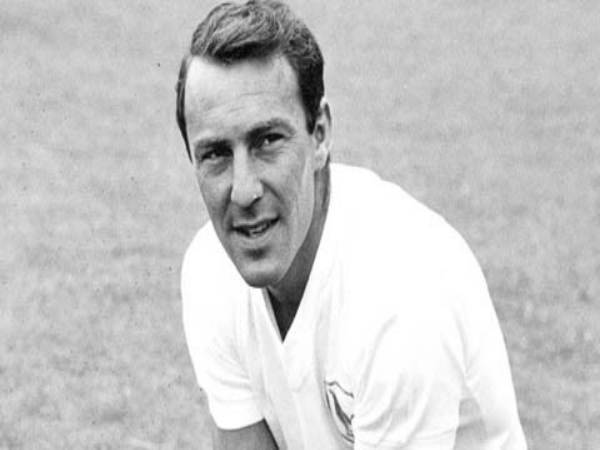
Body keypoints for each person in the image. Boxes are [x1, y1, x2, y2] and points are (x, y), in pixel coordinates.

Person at [176, 1, 527, 448]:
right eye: (215, 154)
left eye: (267, 141)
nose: (243, 191)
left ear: (320, 134)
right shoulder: (210, 269)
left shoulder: (403, 295)